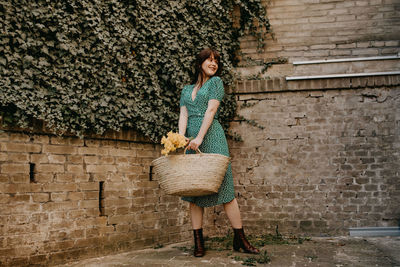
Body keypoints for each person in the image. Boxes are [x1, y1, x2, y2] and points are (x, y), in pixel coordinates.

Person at [178, 48, 260, 257]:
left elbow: (211, 111)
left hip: (211, 138)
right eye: (210, 60)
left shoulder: (216, 83)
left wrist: (200, 138)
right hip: (191, 143)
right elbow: (183, 114)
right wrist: (180, 137)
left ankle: (240, 239)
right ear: (200, 63)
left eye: (216, 61)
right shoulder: (187, 89)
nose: (214, 64)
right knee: (194, 193)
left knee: (226, 191)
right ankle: (198, 242)